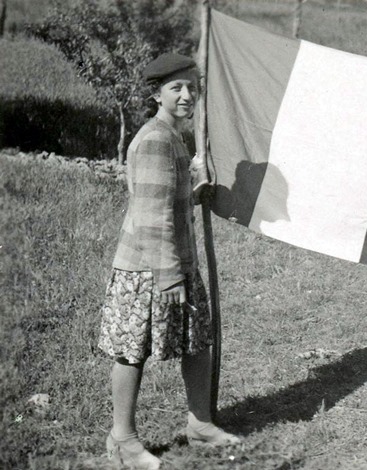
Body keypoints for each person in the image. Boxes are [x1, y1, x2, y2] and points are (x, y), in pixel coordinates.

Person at [97, 53, 239, 469]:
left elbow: (166, 202)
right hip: (148, 269)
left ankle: (200, 424)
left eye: (192, 87)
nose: (186, 95)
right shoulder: (156, 139)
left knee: (197, 341)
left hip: (174, 263)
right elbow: (151, 216)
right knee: (132, 350)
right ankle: (122, 439)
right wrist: (169, 277)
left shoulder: (173, 136)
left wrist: (195, 194)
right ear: (156, 94)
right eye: (176, 88)